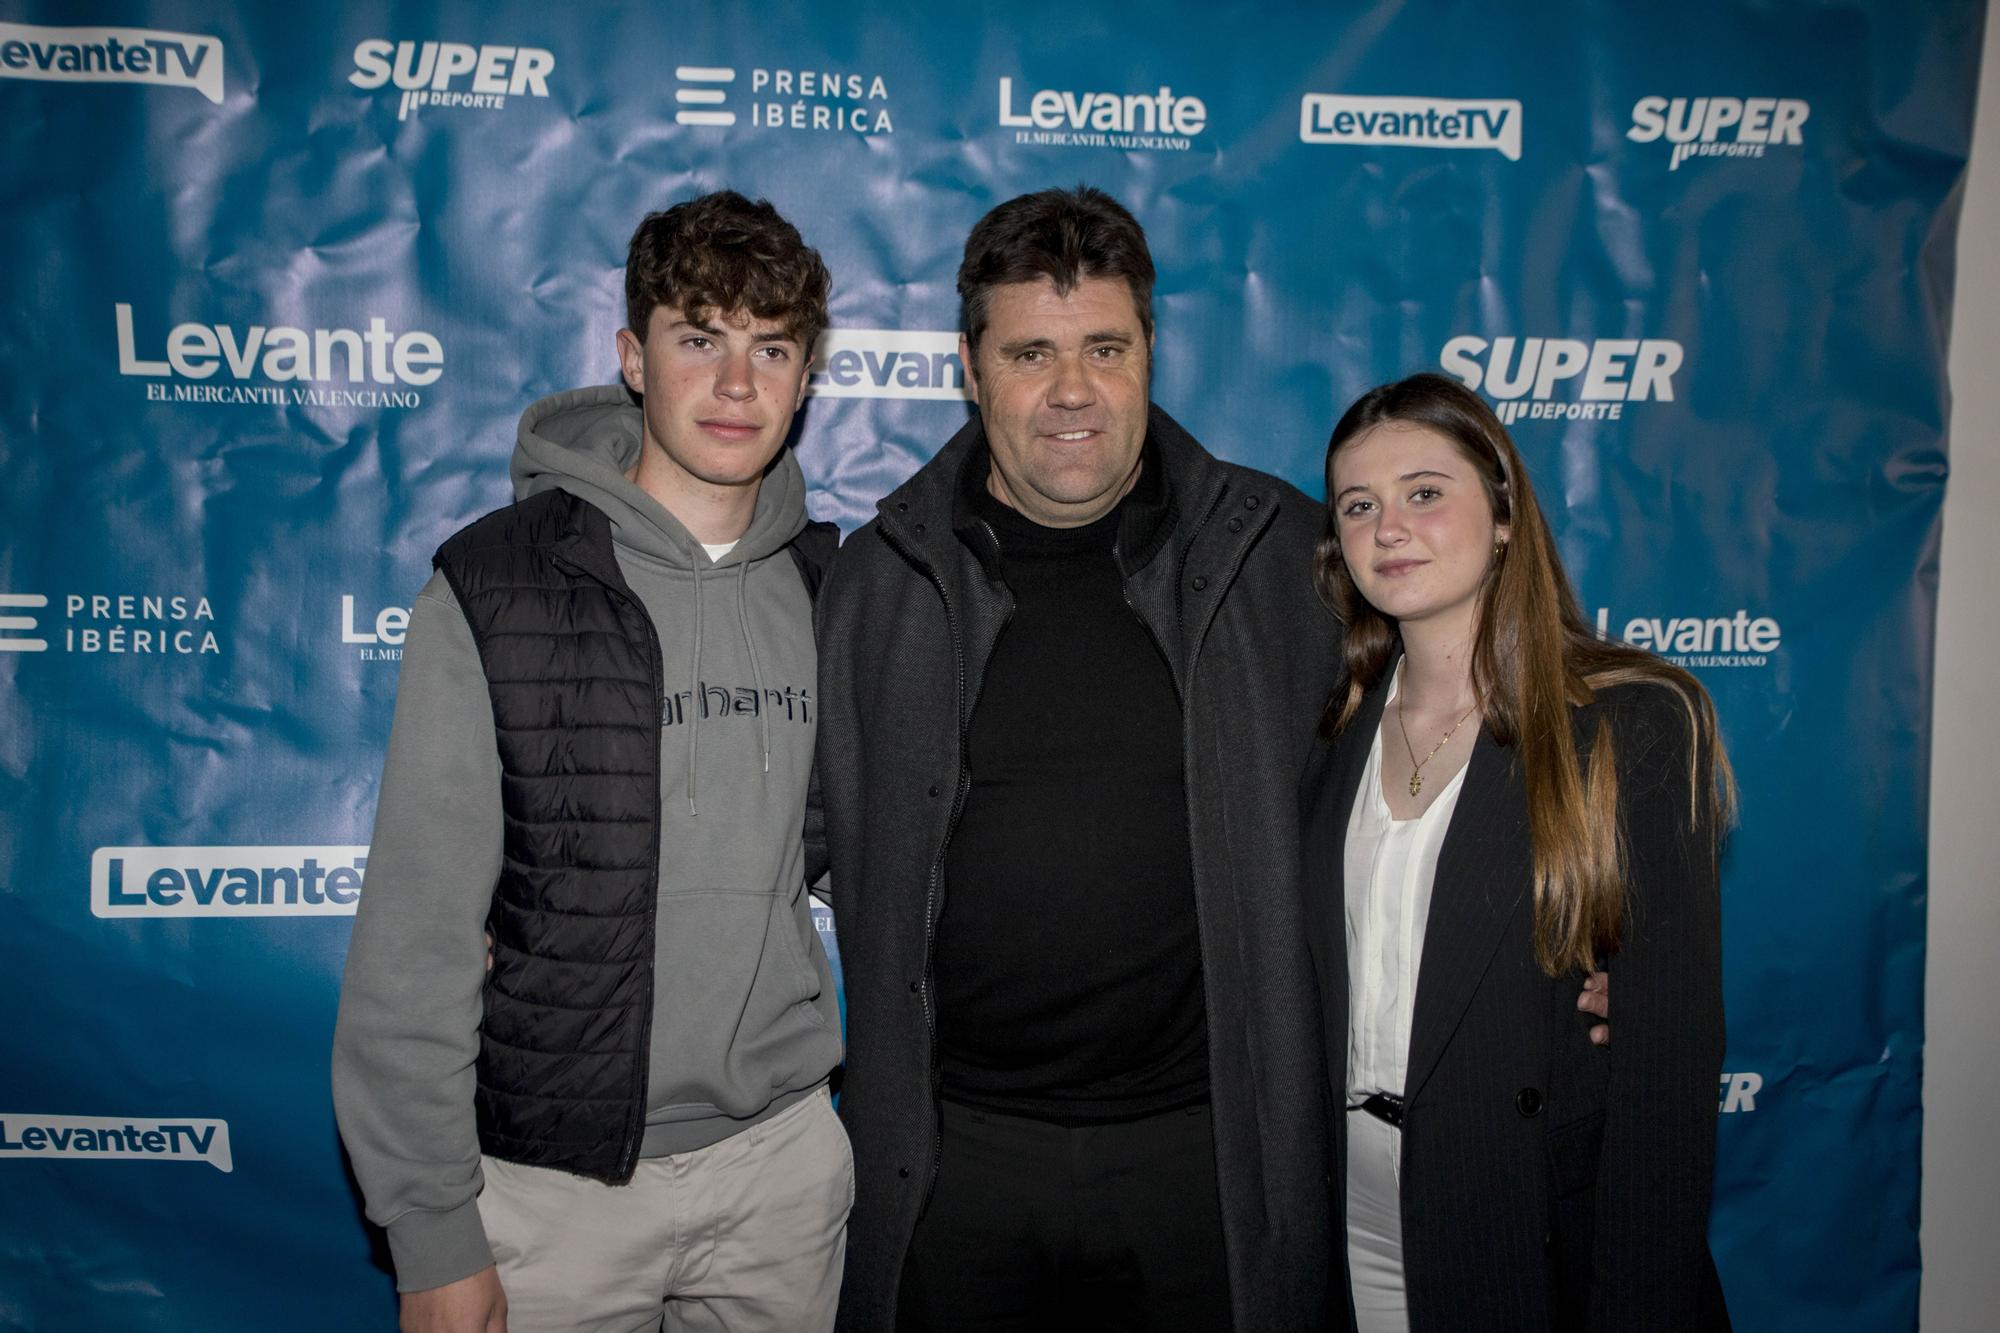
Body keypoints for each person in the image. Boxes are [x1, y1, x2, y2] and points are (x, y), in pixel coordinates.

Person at [813, 185, 1343, 1332]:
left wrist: (1557, 952)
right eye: (1030, 352)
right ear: (969, 367)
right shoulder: (878, 581)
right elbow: (777, 833)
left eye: (1103, 347)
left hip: (1204, 1159)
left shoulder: (1284, 559)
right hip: (957, 1162)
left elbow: (1424, 784)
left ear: (1150, 350)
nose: (1070, 391)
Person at [332, 191, 851, 1333]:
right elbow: (415, 937)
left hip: (781, 1173)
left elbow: (869, 863)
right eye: (698, 336)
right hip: (549, 1195)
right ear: (631, 356)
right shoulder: (496, 587)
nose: (735, 383)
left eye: (771, 348)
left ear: (807, 378)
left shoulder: (839, 590)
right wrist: (430, 1236)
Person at [1299, 373, 1733, 1331]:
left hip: (1530, 1226)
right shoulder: (1328, 733)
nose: (1389, 528)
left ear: (1502, 513)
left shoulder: (1632, 723)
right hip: (1350, 1220)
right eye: (1358, 505)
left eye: (1424, 492)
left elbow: (1665, 1079)